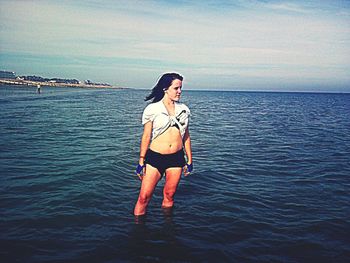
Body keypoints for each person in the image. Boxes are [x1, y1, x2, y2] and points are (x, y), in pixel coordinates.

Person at [134, 72, 193, 216]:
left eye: (180, 88)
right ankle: (137, 232)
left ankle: (168, 228)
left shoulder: (184, 109)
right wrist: (141, 161)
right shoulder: (152, 109)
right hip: (155, 158)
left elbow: (185, 135)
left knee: (169, 195)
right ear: (165, 88)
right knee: (144, 197)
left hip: (176, 159)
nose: (179, 91)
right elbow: (146, 136)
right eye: (176, 88)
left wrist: (190, 160)